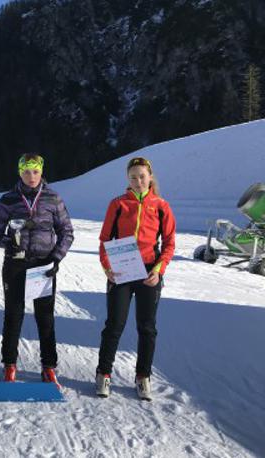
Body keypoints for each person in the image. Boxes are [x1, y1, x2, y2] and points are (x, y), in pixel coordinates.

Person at [0, 153, 74, 386]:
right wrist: (7, 242)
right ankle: (9, 366)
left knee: (45, 318)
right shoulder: (8, 199)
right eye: (26, 171)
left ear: (41, 172)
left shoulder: (53, 199)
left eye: (35, 171)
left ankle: (48, 367)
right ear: (19, 173)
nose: (31, 176)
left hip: (43, 265)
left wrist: (56, 258)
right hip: (15, 264)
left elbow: (67, 232)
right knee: (13, 316)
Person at [95, 156, 176, 400]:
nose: (138, 181)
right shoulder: (118, 204)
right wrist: (107, 267)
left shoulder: (161, 206)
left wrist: (159, 269)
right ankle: (104, 374)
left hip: (149, 271)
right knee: (114, 324)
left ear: (150, 177)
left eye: (142, 176)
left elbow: (170, 243)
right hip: (121, 269)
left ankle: (143, 376)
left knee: (147, 328)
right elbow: (105, 239)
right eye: (133, 177)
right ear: (127, 179)